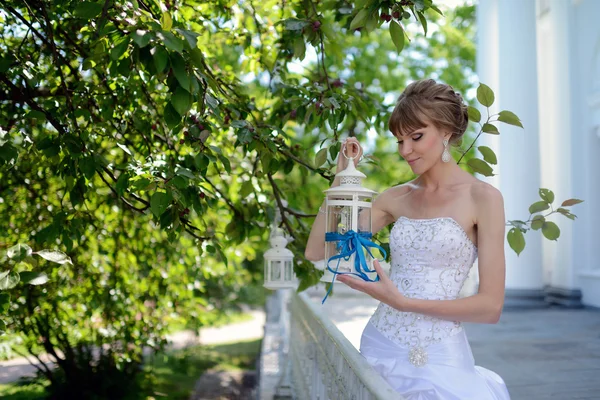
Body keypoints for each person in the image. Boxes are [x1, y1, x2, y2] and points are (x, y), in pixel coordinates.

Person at [305, 79, 511, 400]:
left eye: (416, 137)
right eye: (400, 140)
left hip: (441, 356)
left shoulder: (483, 198)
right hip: (379, 345)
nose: (405, 151)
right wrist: (341, 178)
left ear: (446, 132)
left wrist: (403, 303)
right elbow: (318, 250)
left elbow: (491, 307)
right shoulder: (395, 198)